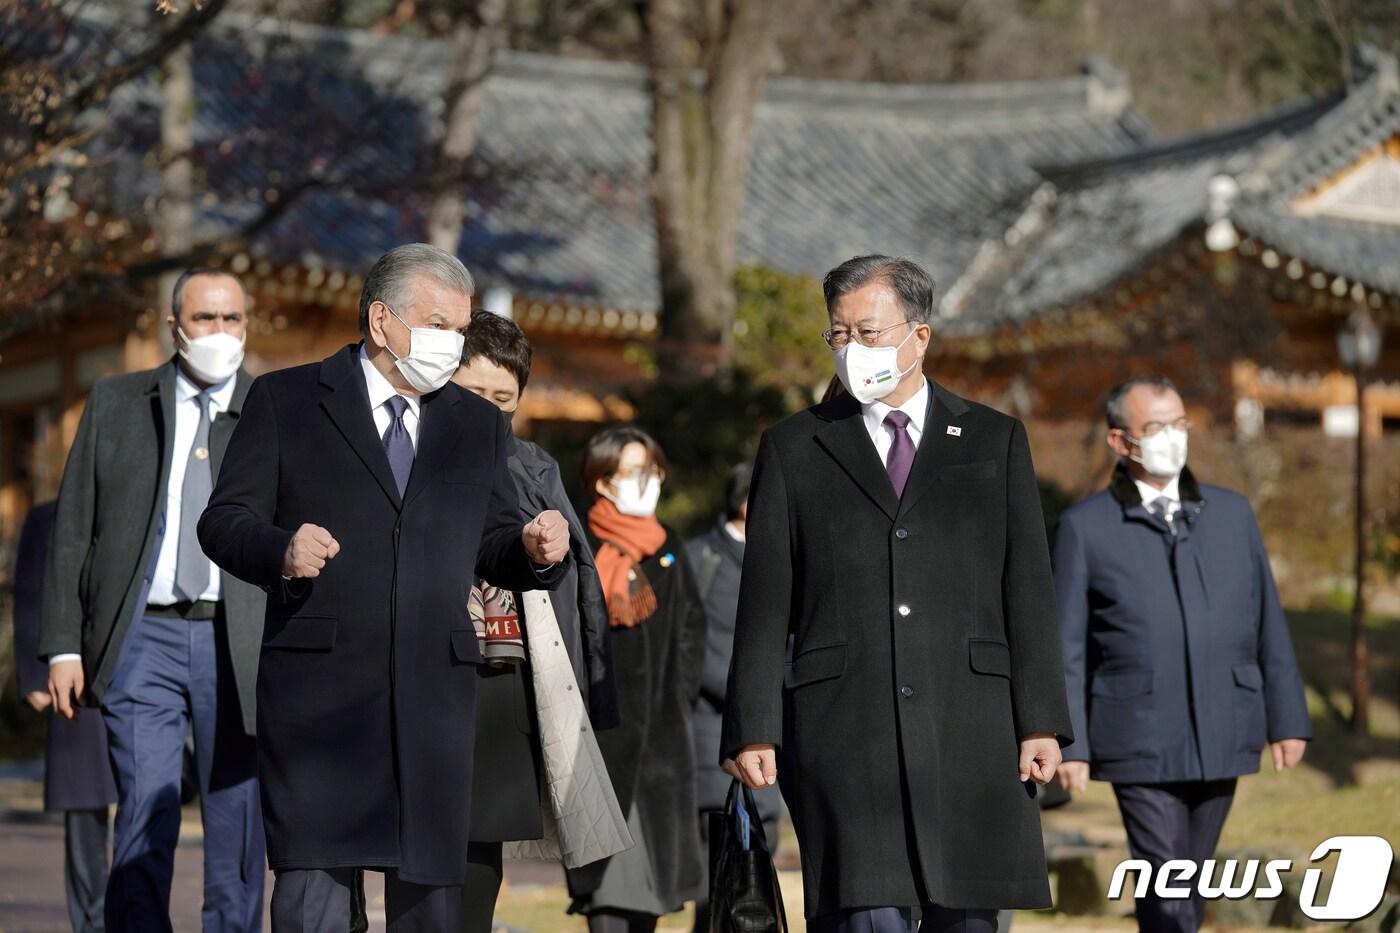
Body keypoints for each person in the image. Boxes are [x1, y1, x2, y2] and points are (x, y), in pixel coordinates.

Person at [197, 244, 572, 933]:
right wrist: (281, 548)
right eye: (438, 326)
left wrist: (533, 549)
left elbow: (492, 541)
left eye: (460, 330)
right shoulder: (287, 400)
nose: (452, 345)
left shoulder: (474, 422)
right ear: (381, 320)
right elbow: (222, 523)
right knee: (312, 910)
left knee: (429, 912)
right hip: (320, 707)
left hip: (432, 706)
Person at [722, 254, 1073, 933]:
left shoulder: (995, 441)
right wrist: (753, 724)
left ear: (921, 335)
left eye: (869, 331)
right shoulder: (795, 448)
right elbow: (765, 602)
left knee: (967, 908)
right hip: (843, 723)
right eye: (839, 334)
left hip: (972, 721)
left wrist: (1041, 718)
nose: (852, 349)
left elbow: (1027, 588)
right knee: (864, 909)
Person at [42, 268, 267, 933]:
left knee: (238, 814)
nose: (220, 333)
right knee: (145, 805)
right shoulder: (117, 400)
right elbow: (73, 526)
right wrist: (63, 645)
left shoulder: (272, 407)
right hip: (146, 637)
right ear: (175, 327)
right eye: (205, 319)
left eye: (233, 319)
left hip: (239, 639)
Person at [1052, 375, 1311, 933]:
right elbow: (1065, 644)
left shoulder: (1232, 514)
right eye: (1156, 427)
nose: (1172, 437)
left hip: (1224, 723)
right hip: (1137, 732)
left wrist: (1287, 719)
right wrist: (1069, 741)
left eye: (1179, 424)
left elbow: (1267, 618)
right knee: (1166, 880)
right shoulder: (1083, 528)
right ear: (1121, 442)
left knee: (1188, 884)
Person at [449, 309, 625, 932]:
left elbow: (577, 583)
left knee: (480, 846)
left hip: (506, 678)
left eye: (503, 398)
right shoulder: (404, 455)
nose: (488, 409)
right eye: (473, 393)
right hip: (423, 668)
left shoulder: (535, 467)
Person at [567, 426, 706, 933]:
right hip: (600, 744)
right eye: (635, 472)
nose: (649, 482)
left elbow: (693, 629)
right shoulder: (578, 543)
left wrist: (679, 698)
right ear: (603, 482)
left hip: (662, 748)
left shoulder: (669, 546)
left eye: (653, 471)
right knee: (604, 891)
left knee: (649, 890)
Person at [684, 462, 783, 933]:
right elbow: (688, 649)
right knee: (719, 880)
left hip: (772, 737)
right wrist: (749, 693)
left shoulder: (783, 558)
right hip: (712, 739)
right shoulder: (700, 558)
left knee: (758, 877)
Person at [13, 500, 117, 933]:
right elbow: (30, 592)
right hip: (72, 674)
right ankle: (90, 923)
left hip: (139, 666)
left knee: (150, 798)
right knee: (84, 804)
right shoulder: (46, 517)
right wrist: (33, 675)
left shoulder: (139, 505)